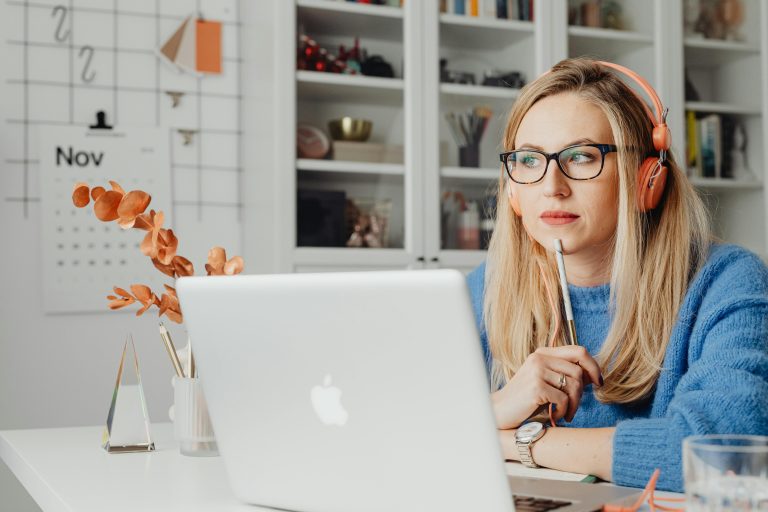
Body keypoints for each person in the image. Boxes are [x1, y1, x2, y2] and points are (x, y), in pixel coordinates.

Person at [466, 57, 768, 492]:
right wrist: (493, 411)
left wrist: (512, 439)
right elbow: (400, 426)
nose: (552, 186)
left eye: (582, 156)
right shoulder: (488, 287)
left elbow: (722, 452)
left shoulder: (727, 283)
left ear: (648, 179)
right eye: (530, 160)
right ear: (513, 188)